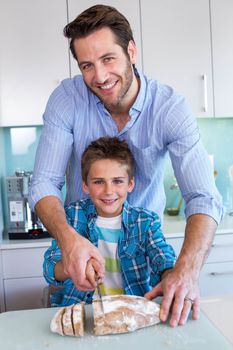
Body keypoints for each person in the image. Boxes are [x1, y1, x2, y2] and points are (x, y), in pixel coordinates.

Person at [29, 5, 223, 326]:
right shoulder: (66, 99)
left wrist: (185, 272)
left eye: (108, 59)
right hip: (81, 290)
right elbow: (44, 184)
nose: (100, 77)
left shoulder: (169, 109)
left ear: (131, 51)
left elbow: (203, 197)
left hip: (141, 287)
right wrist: (68, 241)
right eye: (87, 66)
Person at [43, 137, 176, 307]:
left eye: (117, 181)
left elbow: (163, 258)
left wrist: (170, 275)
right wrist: (74, 265)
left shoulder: (145, 222)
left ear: (130, 184)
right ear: (85, 185)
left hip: (131, 312)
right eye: (99, 182)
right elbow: (49, 268)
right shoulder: (72, 216)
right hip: (83, 310)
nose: (108, 191)